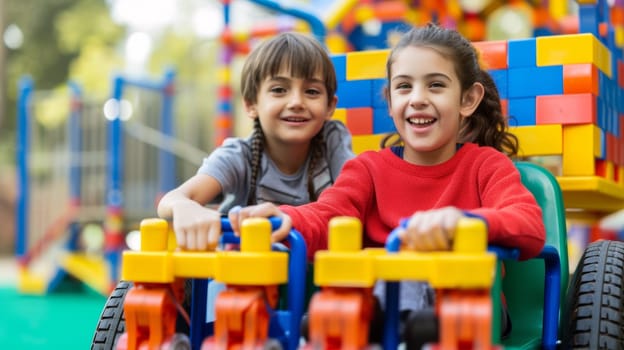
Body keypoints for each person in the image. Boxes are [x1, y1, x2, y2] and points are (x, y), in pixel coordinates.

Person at [228, 24, 546, 346]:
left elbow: (529, 224)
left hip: (469, 306)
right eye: (404, 87)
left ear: (467, 99)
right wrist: (286, 218)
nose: (418, 99)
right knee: (342, 309)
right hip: (381, 305)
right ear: (391, 101)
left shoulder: (487, 166)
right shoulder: (367, 169)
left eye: (436, 85)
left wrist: (465, 222)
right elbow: (327, 215)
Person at [156, 32, 354, 330]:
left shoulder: (333, 141)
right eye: (279, 90)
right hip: (244, 282)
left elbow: (357, 193)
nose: (297, 102)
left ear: (330, 106)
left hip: (316, 285)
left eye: (312, 92)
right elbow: (172, 199)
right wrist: (187, 208)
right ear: (251, 105)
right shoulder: (240, 154)